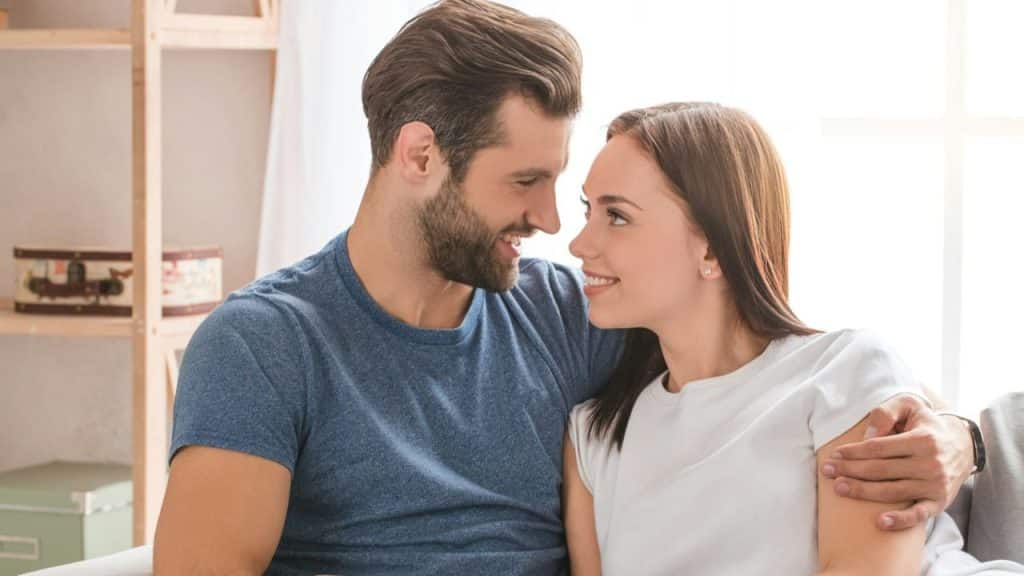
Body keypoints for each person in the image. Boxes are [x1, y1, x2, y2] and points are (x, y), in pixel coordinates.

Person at [153, 1, 980, 574]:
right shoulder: (267, 344)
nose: (551, 219)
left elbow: (779, 357)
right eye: (526, 181)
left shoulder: (561, 311)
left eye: (568, 189)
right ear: (417, 156)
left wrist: (952, 437)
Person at [562, 102, 1023, 576]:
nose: (579, 244)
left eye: (616, 216)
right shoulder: (596, 437)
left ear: (713, 249)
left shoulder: (842, 372)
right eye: (588, 210)